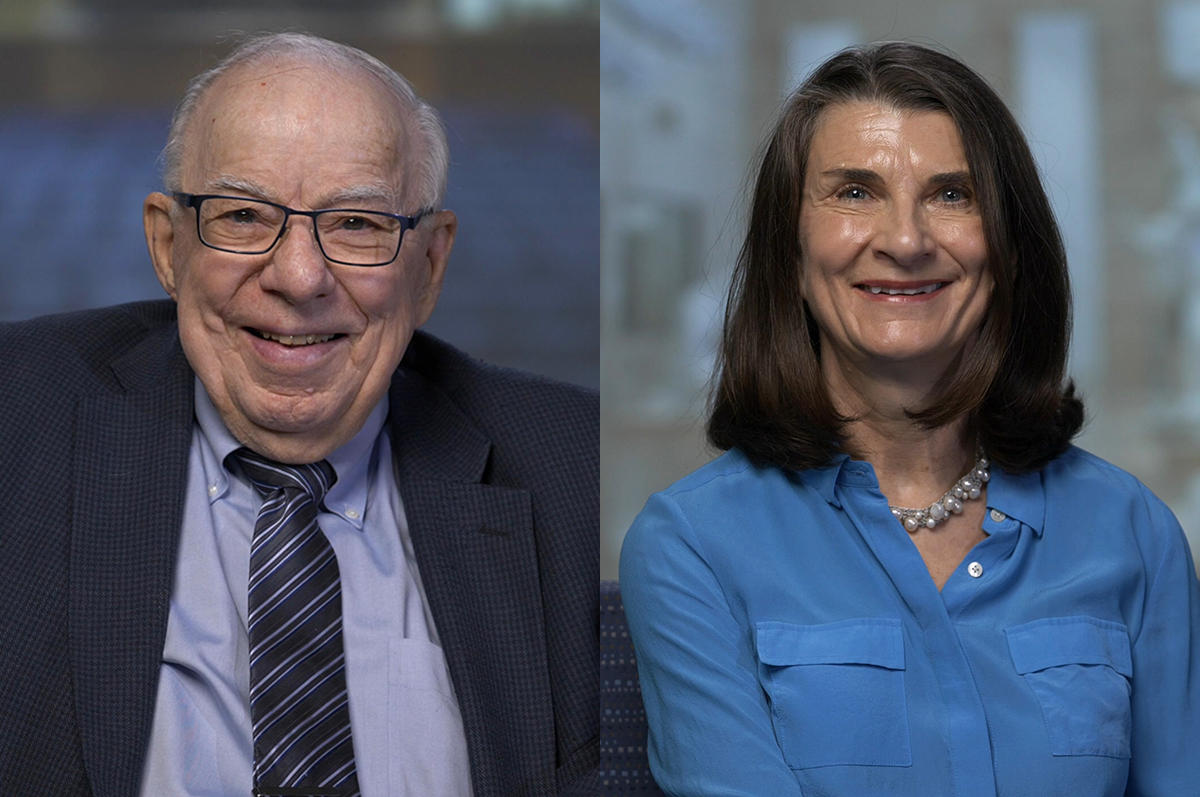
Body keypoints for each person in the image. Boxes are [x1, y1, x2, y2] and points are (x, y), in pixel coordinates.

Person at [0, 32, 599, 797]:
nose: (299, 276)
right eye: (244, 215)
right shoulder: (16, 417)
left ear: (430, 267)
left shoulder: (578, 472)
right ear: (167, 246)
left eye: (357, 224)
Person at [620, 41, 1200, 796]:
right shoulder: (690, 547)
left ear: (1010, 251)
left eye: (952, 194)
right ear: (790, 253)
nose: (904, 240)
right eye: (855, 193)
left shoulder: (1137, 534)